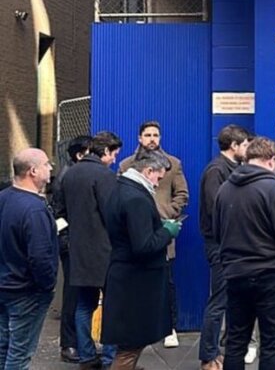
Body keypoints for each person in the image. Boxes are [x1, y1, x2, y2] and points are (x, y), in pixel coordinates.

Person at [214, 137, 275, 370]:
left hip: (235, 274)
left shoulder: (224, 189)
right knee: (271, 343)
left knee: (235, 343)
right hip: (270, 273)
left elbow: (217, 231)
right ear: (271, 160)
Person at [100, 152, 181, 370]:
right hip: (135, 284)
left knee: (129, 347)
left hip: (124, 277)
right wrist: (167, 231)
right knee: (129, 349)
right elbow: (143, 245)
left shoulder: (119, 189)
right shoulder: (136, 198)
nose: (158, 183)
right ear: (148, 171)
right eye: (158, 178)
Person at [118, 121, 189, 349]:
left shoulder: (173, 164)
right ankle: (139, 328)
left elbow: (182, 194)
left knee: (166, 281)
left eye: (156, 135)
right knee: (136, 281)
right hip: (134, 232)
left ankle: (170, 328)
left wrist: (167, 212)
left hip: (163, 230)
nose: (152, 139)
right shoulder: (126, 164)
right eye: (147, 135)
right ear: (139, 138)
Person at [61, 131, 122, 370]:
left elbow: (64, 210)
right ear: (105, 151)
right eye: (114, 154)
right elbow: (111, 214)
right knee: (111, 304)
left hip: (78, 249)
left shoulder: (70, 174)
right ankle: (109, 358)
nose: (115, 159)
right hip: (104, 250)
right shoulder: (104, 176)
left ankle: (86, 356)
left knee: (84, 304)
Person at [198, 124, 251, 370]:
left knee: (232, 298)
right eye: (245, 145)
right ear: (234, 146)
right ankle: (208, 356)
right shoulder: (216, 171)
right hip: (221, 245)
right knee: (219, 300)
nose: (247, 149)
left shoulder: (233, 169)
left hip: (232, 244)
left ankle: (228, 347)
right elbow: (216, 208)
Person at [0, 148, 59, 370]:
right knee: (19, 355)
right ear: (33, 171)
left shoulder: (3, 198)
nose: (50, 168)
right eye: (46, 164)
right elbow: (40, 256)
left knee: (4, 348)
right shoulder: (34, 209)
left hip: (5, 285)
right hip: (26, 292)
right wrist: (47, 286)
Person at [51, 135, 92, 364]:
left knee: (75, 292)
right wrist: (67, 241)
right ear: (80, 155)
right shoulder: (68, 178)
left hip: (71, 241)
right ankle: (68, 344)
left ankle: (73, 342)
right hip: (71, 243)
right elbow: (60, 214)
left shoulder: (69, 174)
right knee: (73, 293)